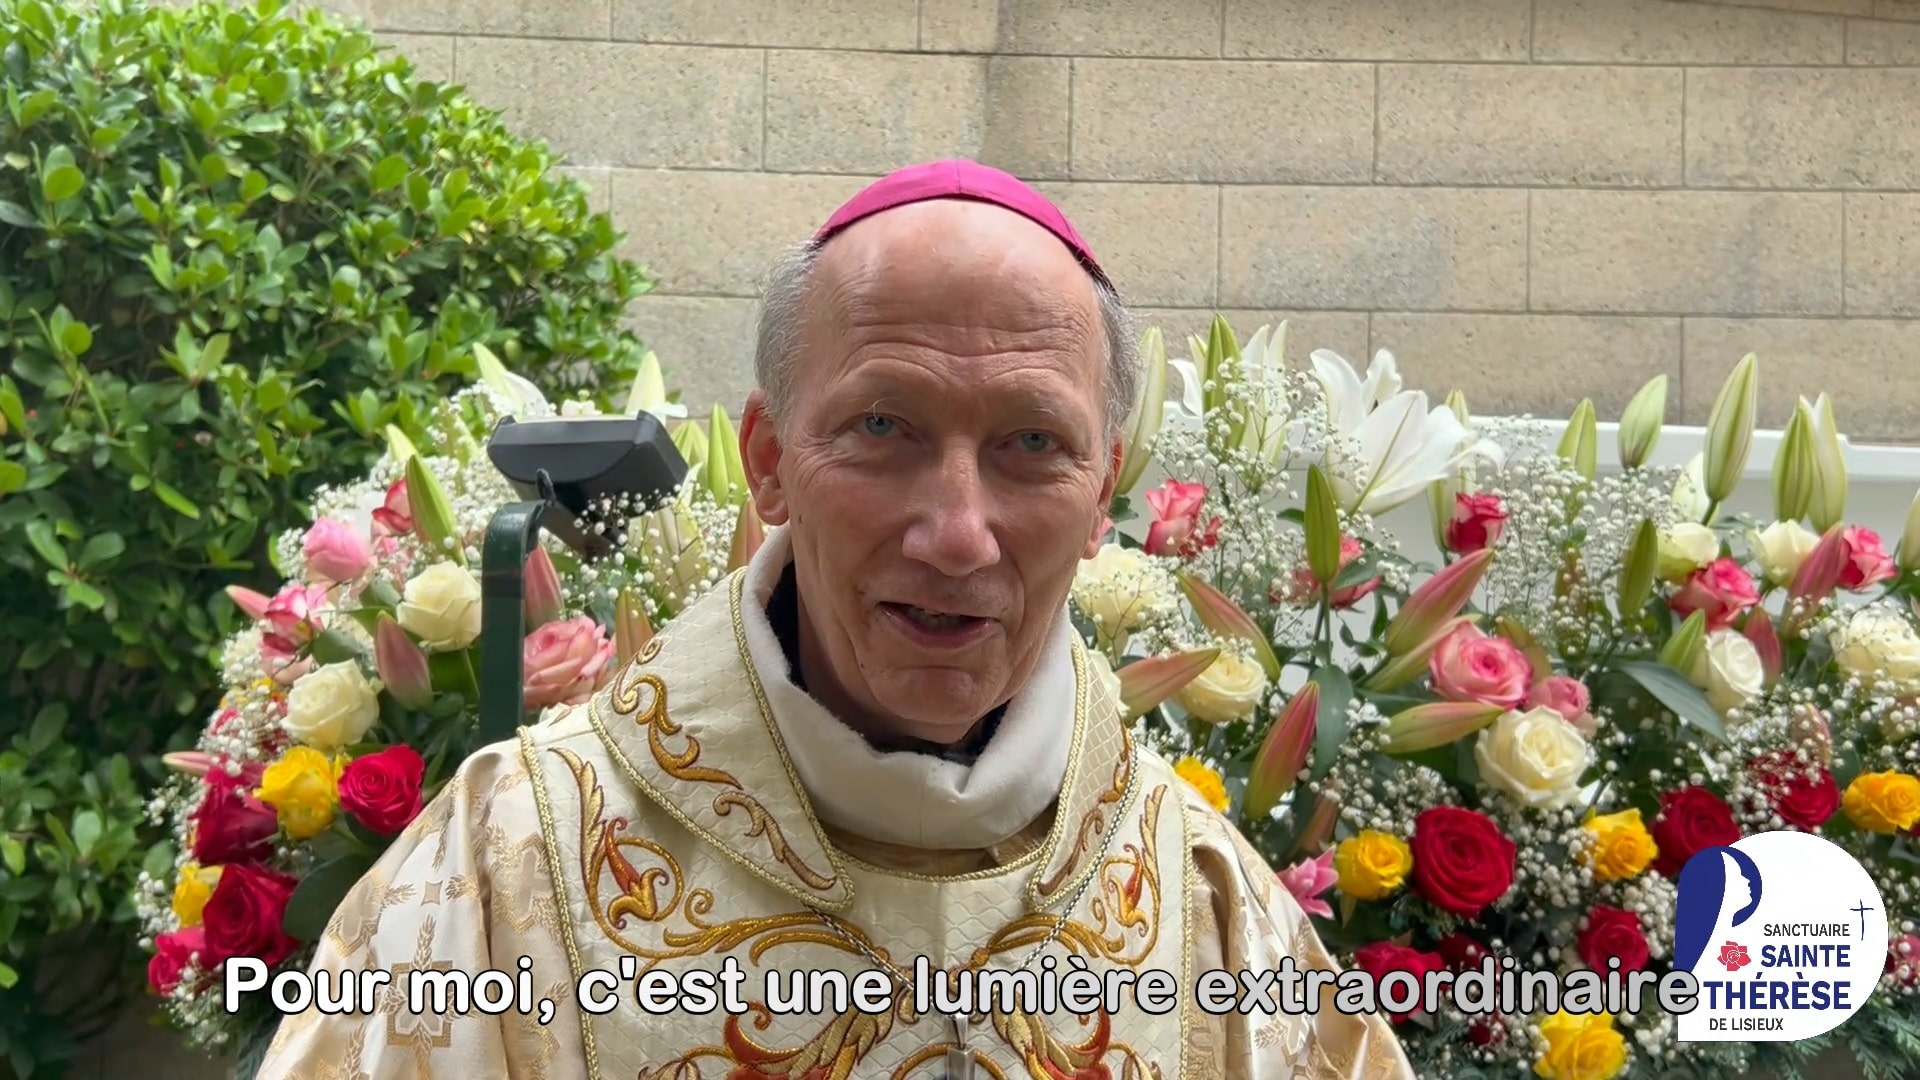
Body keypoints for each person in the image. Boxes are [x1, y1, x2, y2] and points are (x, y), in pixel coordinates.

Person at [256, 159, 1416, 1079]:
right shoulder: (516, 861)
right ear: (770, 462)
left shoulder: (1208, 901)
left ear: (1102, 490)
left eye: (1031, 445)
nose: (958, 534)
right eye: (882, 428)